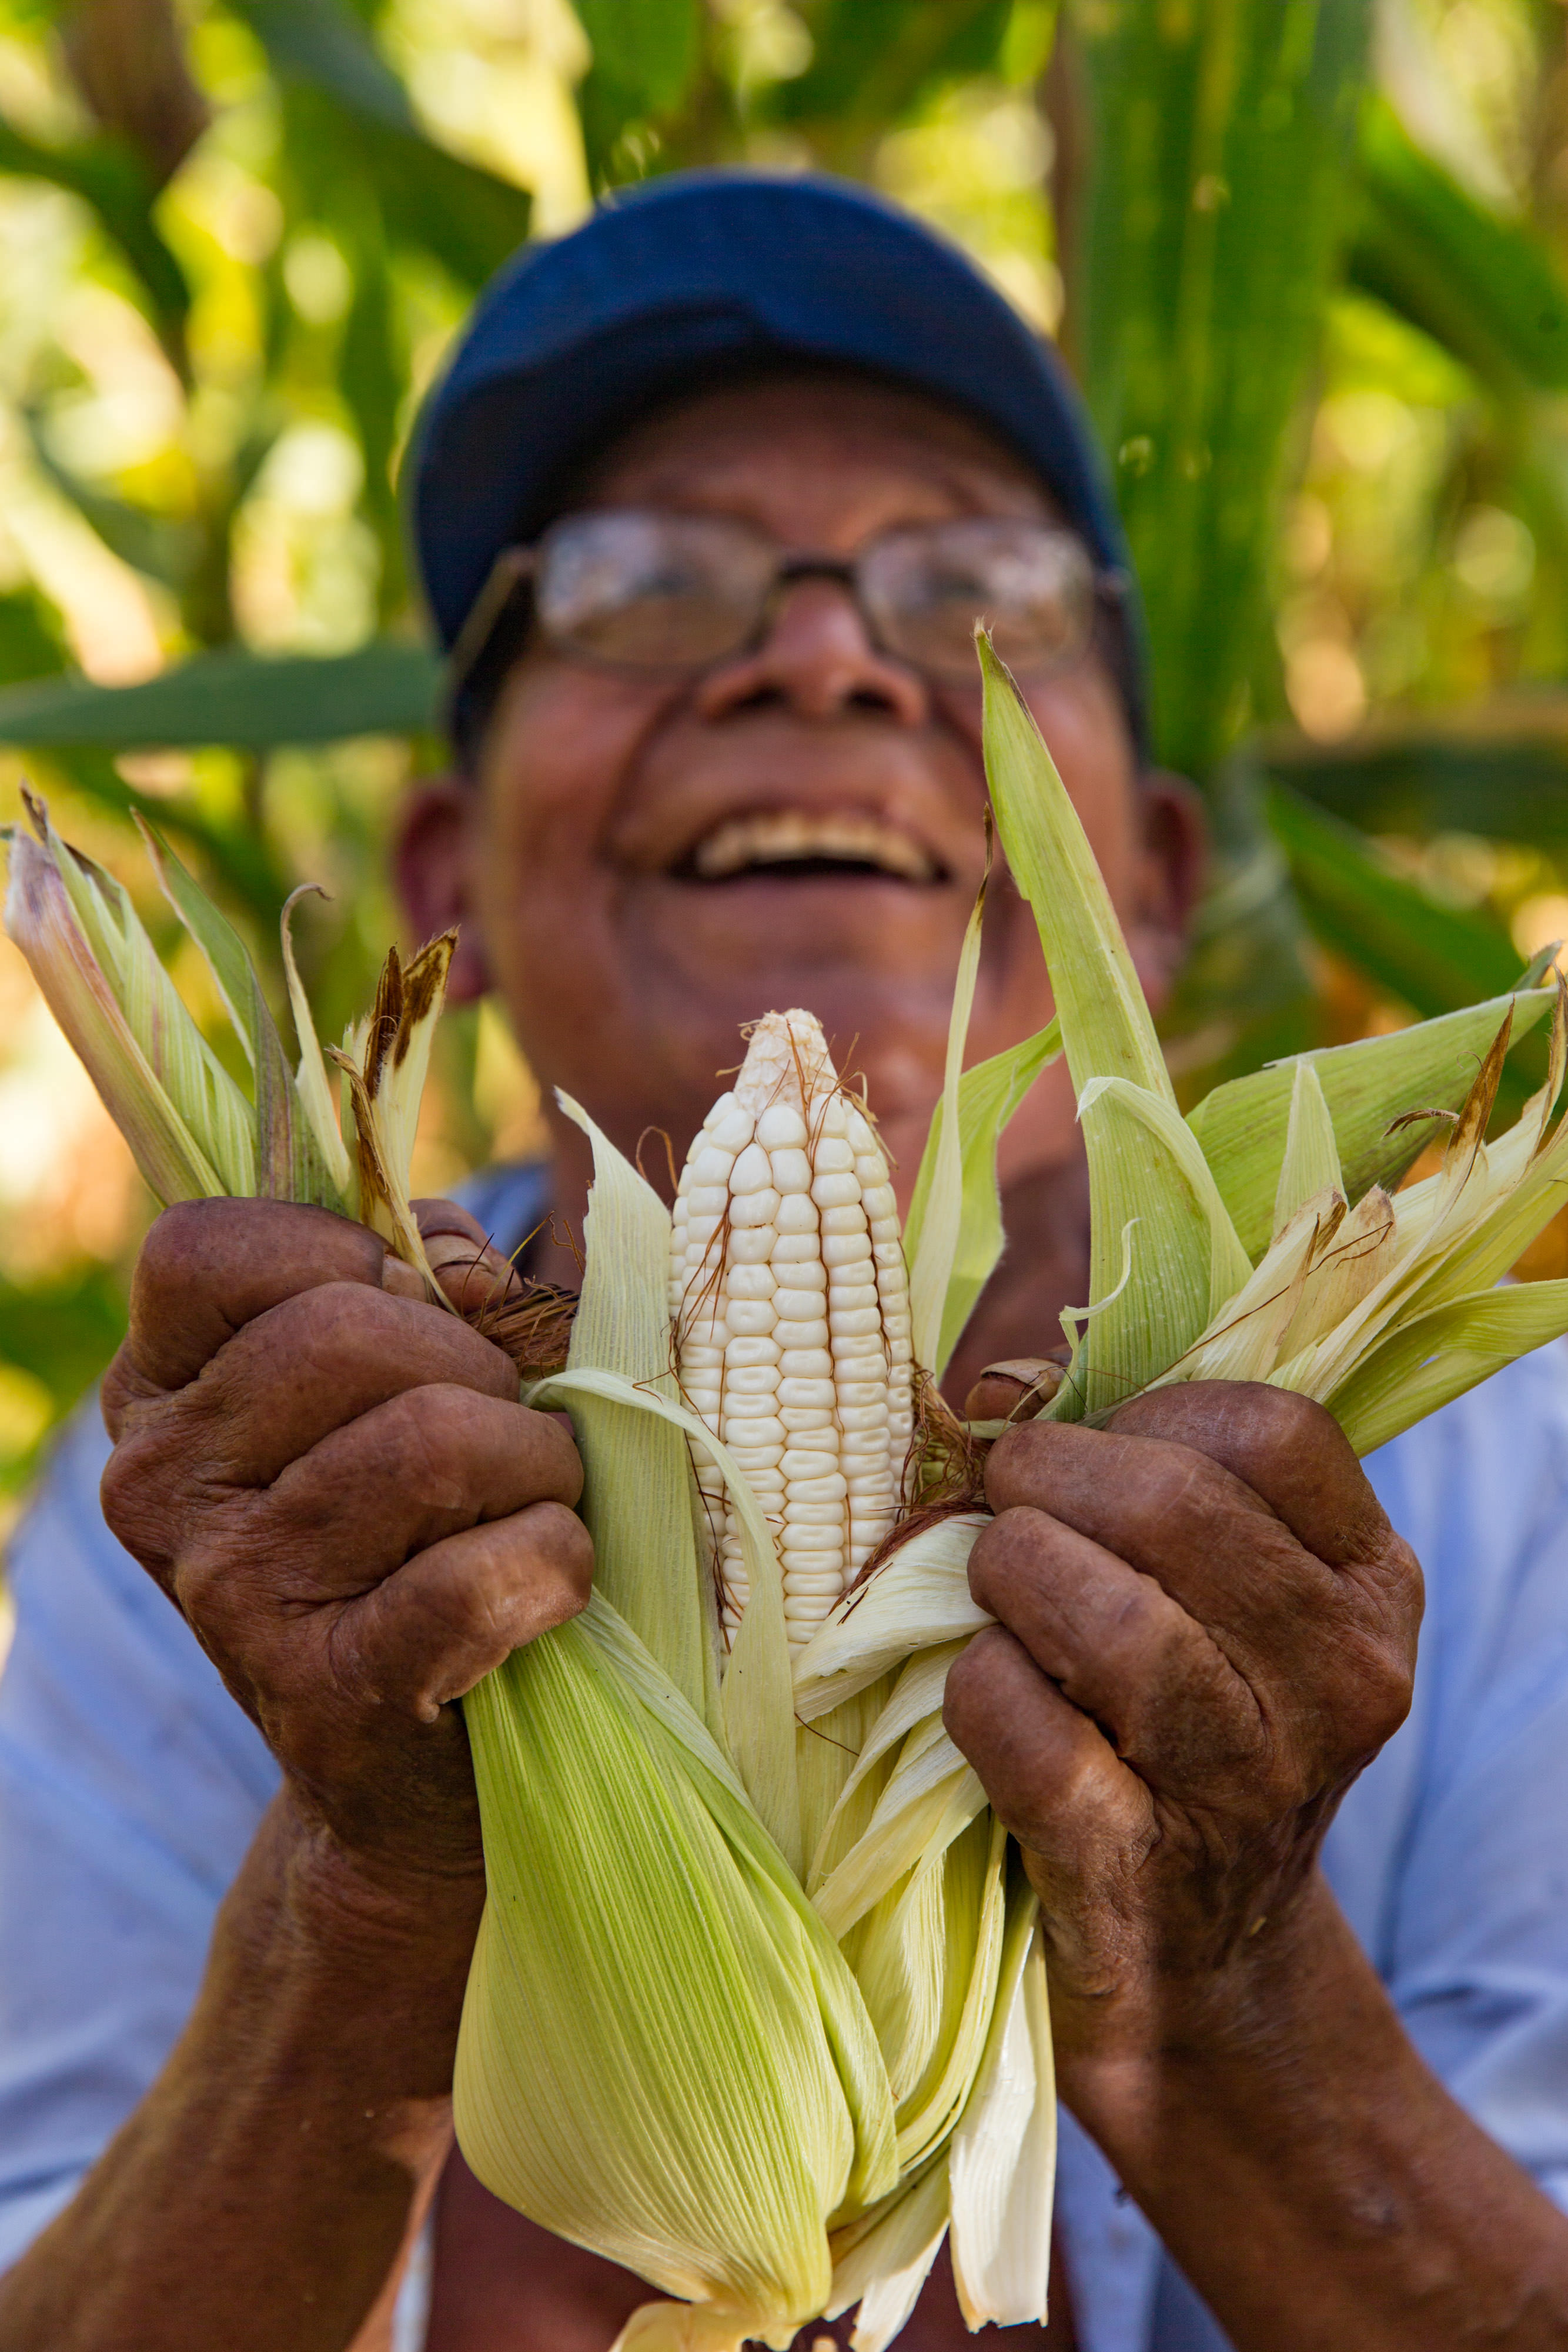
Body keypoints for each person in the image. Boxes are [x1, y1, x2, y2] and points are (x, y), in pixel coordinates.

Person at [1, 171, 1567, 2352]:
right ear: (448, 869)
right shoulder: (242, 1504)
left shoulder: (1515, 1496)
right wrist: (359, 1895)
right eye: (645, 587)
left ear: (1150, 883)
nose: (821, 657)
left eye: (969, 590)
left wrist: (1221, 1991)